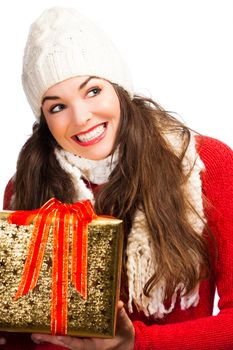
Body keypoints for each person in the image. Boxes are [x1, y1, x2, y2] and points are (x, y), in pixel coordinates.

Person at [1, 6, 233, 350]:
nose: (81, 118)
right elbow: (23, 337)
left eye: (92, 91)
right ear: (44, 119)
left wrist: (136, 343)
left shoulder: (204, 164)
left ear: (118, 88)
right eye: (57, 106)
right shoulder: (26, 187)